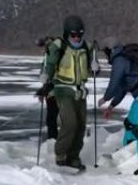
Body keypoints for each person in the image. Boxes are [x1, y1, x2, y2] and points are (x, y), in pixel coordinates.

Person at [36, 15, 99, 171]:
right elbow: (49, 64)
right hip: (63, 90)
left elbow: (91, 70)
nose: (77, 38)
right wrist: (45, 76)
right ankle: (61, 155)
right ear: (67, 33)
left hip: (80, 91)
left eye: (80, 34)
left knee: (81, 126)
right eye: (73, 35)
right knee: (70, 123)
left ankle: (74, 157)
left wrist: (95, 67)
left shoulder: (87, 47)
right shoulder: (58, 46)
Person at [97, 38, 138, 175]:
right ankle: (128, 153)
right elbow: (122, 88)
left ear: (110, 51)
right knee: (129, 123)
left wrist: (105, 98)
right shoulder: (125, 59)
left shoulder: (119, 60)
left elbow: (114, 83)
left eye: (105, 52)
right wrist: (111, 106)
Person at [36, 36, 59, 140]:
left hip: (54, 91)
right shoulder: (52, 55)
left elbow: (48, 73)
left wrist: (44, 89)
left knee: (51, 118)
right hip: (52, 89)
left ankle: (53, 140)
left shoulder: (51, 55)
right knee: (53, 118)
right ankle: (54, 140)